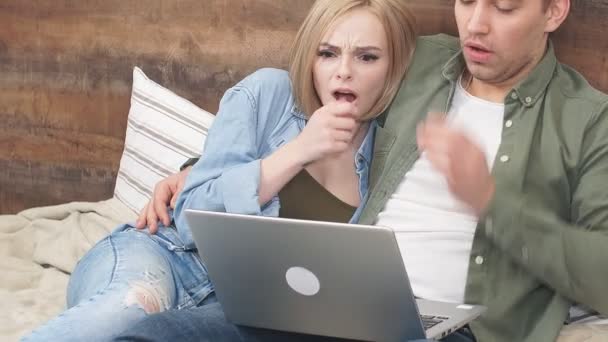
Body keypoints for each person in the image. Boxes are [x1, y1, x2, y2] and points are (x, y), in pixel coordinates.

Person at [115, 0, 608, 341]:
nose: (475, 25)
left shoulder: (588, 121)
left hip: (449, 329)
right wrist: (195, 170)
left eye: (504, 7)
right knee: (152, 335)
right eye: (465, 1)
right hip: (332, 303)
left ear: (554, 10)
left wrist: (491, 203)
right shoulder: (419, 61)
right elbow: (313, 103)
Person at [20, 0, 416, 341]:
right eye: (327, 53)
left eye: (367, 57)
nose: (343, 71)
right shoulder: (268, 95)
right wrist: (296, 152)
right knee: (129, 309)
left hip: (239, 311)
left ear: (393, 67)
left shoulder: (388, 157)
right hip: (165, 255)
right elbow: (192, 218)